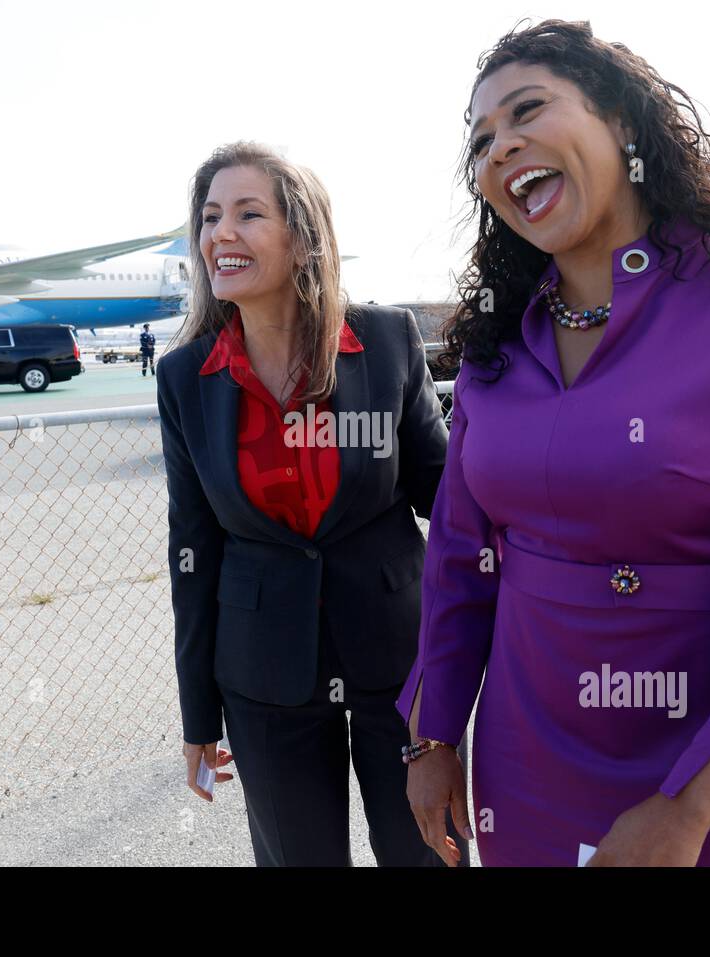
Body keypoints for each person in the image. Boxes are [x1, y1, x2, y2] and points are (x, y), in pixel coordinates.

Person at [398, 19, 710, 867]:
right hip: (526, 777)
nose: (499, 148)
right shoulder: (495, 355)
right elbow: (458, 559)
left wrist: (691, 805)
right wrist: (432, 736)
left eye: (527, 111)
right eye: (481, 143)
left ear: (624, 123)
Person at [157, 141, 467, 866]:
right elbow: (191, 552)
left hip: (398, 664)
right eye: (208, 217)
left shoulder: (386, 341)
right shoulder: (184, 378)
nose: (218, 234)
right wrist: (198, 714)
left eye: (247, 213)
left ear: (301, 236)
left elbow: (448, 500)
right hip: (265, 676)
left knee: (429, 852)